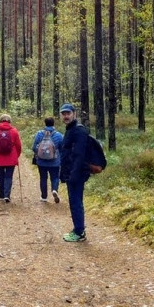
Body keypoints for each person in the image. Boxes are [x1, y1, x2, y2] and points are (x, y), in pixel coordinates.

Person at [58, 103, 90, 241]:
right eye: (63, 114)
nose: (66, 116)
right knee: (74, 201)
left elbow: (79, 155)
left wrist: (74, 175)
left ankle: (79, 232)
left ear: (74, 114)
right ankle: (77, 229)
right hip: (71, 173)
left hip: (76, 174)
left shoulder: (78, 131)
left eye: (68, 113)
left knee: (76, 202)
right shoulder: (70, 129)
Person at [0, 113, 22, 203]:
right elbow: (18, 145)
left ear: (0, 121)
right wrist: (17, 155)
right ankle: (7, 195)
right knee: (9, 176)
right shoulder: (14, 131)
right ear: (9, 121)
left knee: (0, 176)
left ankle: (1, 194)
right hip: (11, 158)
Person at [31, 116, 64, 203]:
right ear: (53, 123)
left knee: (43, 178)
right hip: (55, 162)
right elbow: (63, 148)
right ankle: (54, 190)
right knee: (55, 177)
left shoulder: (39, 134)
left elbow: (34, 147)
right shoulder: (59, 135)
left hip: (41, 162)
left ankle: (44, 197)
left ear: (45, 123)